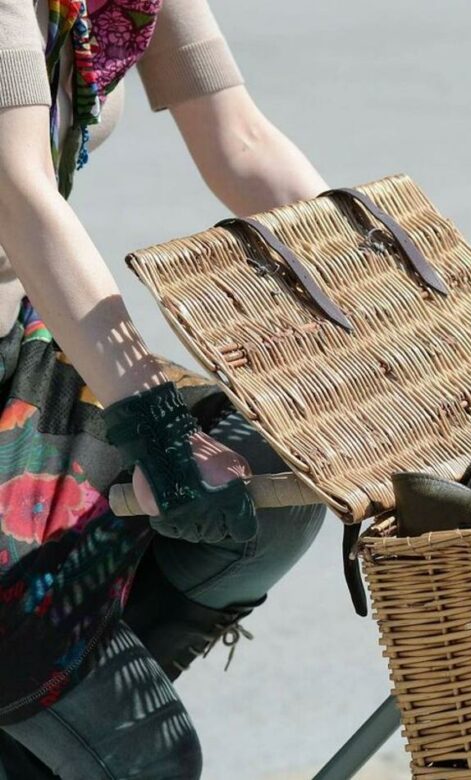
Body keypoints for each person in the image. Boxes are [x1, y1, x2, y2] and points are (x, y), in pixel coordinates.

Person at [0, 1, 330, 776]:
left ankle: (48, 698)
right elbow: (20, 196)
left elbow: (241, 141)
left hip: (17, 343)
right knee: (150, 758)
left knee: (275, 475)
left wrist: (398, 316)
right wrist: (154, 424)